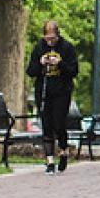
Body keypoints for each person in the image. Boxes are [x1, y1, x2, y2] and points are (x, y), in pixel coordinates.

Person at [26, 20, 78, 175]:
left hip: (62, 91)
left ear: (58, 35)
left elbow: (73, 71)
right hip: (43, 91)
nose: (49, 42)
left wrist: (60, 63)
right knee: (46, 124)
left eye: (52, 38)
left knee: (59, 123)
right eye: (47, 38)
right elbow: (31, 71)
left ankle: (63, 151)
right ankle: (49, 160)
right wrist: (40, 62)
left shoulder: (67, 48)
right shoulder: (39, 47)